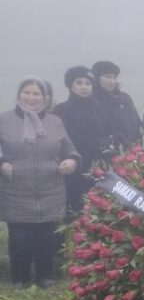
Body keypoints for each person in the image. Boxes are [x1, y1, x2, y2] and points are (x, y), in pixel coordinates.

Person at [0, 78, 80, 288]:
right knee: (19, 238)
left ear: (45, 98)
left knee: (47, 237)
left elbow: (70, 150)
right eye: (27, 92)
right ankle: (20, 278)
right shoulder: (4, 120)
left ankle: (45, 276)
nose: (31, 97)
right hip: (16, 189)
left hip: (51, 189)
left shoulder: (55, 121)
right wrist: (2, 164)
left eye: (37, 94)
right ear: (19, 94)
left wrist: (71, 161)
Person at [53, 66, 114, 215]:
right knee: (76, 211)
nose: (84, 87)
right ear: (70, 85)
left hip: (101, 170)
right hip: (74, 171)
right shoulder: (61, 110)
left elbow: (113, 133)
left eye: (88, 83)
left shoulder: (103, 109)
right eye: (79, 83)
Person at [91, 60, 141, 144]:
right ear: (96, 79)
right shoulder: (93, 102)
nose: (112, 81)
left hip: (134, 149)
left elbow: (138, 124)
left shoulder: (125, 98)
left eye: (114, 77)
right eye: (108, 77)